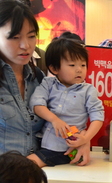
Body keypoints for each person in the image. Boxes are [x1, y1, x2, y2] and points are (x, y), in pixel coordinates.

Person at [0, 0, 90, 165]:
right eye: (14, 37)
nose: (25, 45)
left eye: (31, 36)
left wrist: (83, 139)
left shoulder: (39, 79)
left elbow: (64, 117)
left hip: (37, 175)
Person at [27, 38, 104, 168]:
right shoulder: (48, 83)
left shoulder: (88, 91)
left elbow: (98, 116)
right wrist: (55, 120)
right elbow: (36, 104)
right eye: (72, 65)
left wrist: (86, 139)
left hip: (63, 147)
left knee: (25, 165)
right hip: (41, 142)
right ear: (54, 68)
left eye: (83, 65)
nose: (79, 70)